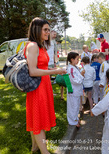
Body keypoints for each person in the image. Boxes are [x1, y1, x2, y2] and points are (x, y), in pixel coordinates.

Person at [25, 17, 67, 154]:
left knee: (38, 118)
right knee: (38, 120)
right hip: (37, 88)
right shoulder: (33, 46)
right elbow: (32, 71)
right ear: (37, 29)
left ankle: (35, 147)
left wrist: (52, 70)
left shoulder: (41, 45)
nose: (48, 32)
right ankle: (45, 152)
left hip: (44, 85)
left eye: (48, 30)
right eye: (45, 30)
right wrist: (55, 71)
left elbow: (40, 66)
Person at [66, 52, 85, 128]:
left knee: (76, 106)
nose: (78, 61)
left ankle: (75, 119)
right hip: (73, 91)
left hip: (76, 91)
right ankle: (73, 121)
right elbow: (75, 80)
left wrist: (81, 74)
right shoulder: (70, 69)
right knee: (73, 106)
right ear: (72, 59)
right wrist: (82, 75)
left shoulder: (75, 67)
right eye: (77, 59)